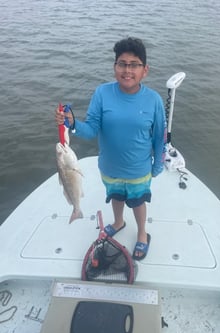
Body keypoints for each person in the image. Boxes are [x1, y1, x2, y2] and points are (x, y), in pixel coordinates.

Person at [55, 37, 166, 260]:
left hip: (139, 169)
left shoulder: (153, 100)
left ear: (145, 70)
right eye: (122, 63)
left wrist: (158, 165)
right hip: (109, 167)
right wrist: (73, 123)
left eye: (134, 64)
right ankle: (118, 221)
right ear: (115, 67)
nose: (127, 70)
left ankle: (142, 233)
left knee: (137, 201)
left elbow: (159, 137)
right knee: (115, 196)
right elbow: (91, 129)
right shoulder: (102, 93)